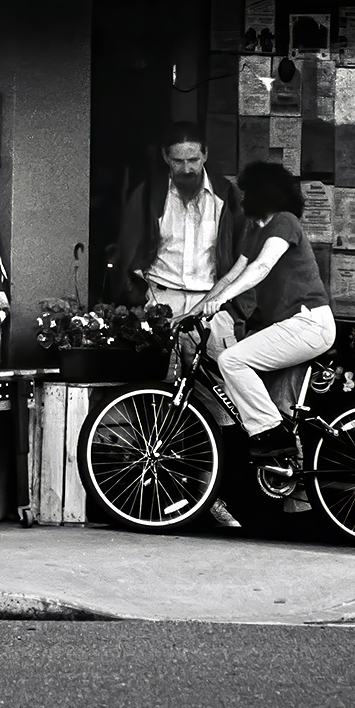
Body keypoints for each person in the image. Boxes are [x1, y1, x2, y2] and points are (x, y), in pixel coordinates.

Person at [200, 162, 336, 458]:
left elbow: (262, 267)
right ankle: (280, 447)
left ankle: (272, 434)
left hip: (309, 323)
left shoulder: (285, 222)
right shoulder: (255, 231)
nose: (242, 199)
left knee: (232, 361)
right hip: (290, 326)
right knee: (245, 375)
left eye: (247, 192)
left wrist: (222, 300)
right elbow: (232, 276)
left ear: (262, 193)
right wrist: (195, 311)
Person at [111, 123, 242, 322]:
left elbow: (242, 252)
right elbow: (127, 249)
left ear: (205, 155)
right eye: (178, 161)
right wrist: (136, 292)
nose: (187, 169)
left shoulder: (226, 195)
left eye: (193, 160)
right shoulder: (148, 195)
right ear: (166, 157)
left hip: (212, 301)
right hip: (159, 298)